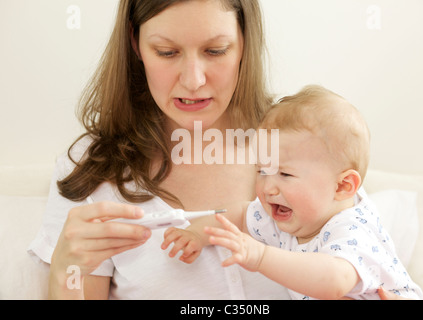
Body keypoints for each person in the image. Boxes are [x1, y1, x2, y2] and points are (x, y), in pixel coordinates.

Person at [28, 0, 290, 300]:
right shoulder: (94, 172)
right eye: (167, 52)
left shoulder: (299, 140)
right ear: (134, 42)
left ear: (245, 40)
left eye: (215, 50)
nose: (193, 81)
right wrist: (66, 270)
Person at [162, 85, 423, 300]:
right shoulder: (289, 218)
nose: (268, 187)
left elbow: (331, 282)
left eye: (285, 174)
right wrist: (196, 233)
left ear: (342, 186)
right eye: (262, 171)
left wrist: (260, 256)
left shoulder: (352, 229)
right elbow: (241, 214)